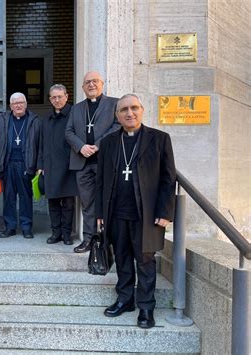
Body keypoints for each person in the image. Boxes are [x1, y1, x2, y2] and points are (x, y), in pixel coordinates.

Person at [95, 94, 176, 329]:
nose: (129, 113)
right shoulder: (109, 142)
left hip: (147, 214)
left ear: (142, 110)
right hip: (116, 212)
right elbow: (100, 180)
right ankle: (125, 299)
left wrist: (166, 211)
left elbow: (168, 179)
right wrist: (100, 212)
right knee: (121, 259)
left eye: (134, 108)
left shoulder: (160, 139)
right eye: (123, 110)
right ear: (117, 115)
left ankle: (147, 307)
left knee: (145, 261)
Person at [65, 71, 120, 253]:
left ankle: (109, 240)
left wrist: (97, 145)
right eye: (87, 82)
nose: (91, 85)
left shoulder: (114, 104)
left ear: (102, 84)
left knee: (110, 201)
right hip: (82, 162)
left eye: (95, 81)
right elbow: (69, 132)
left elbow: (117, 126)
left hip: (105, 161)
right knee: (87, 203)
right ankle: (88, 239)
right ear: (82, 87)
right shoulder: (77, 108)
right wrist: (81, 147)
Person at [0, 92, 41, 239]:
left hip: (26, 164)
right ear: (10, 106)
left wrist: (38, 165)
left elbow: (40, 145)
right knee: (9, 197)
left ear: (26, 104)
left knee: (25, 197)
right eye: (15, 103)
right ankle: (10, 227)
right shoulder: (1, 120)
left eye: (21, 102)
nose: (18, 105)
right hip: (7, 164)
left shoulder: (35, 121)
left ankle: (26, 227)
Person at [38, 84, 78, 245]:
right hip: (50, 167)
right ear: (49, 99)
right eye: (53, 97)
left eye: (60, 96)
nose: (57, 100)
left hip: (69, 166)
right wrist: (40, 165)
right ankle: (56, 233)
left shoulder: (74, 115)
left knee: (68, 203)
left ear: (66, 97)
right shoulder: (46, 118)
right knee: (53, 202)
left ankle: (67, 234)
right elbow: (41, 143)